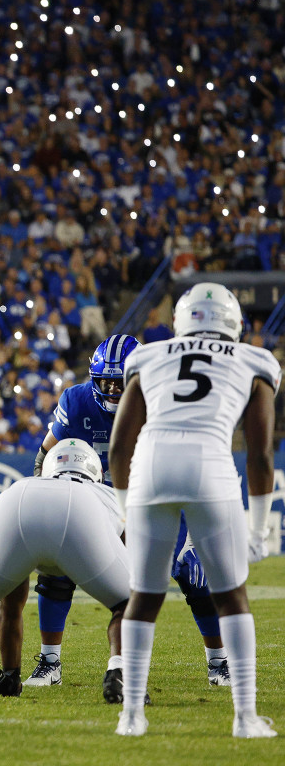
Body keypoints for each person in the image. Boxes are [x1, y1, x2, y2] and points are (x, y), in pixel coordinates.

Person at [110, 282, 279, 738]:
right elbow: (261, 456)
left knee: (143, 598)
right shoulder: (255, 359)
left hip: (150, 466)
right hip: (209, 466)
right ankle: (244, 717)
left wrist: (126, 511)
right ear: (234, 324)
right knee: (231, 597)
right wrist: (259, 529)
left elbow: (118, 445)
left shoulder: (149, 355)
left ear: (182, 320)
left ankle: (131, 716)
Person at [28, 334, 230, 688]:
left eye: (121, 383)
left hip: (153, 504)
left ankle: (219, 663)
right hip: (91, 502)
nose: (112, 390)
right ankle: (49, 663)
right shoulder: (76, 401)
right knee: (56, 572)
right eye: (105, 382)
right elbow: (46, 453)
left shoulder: (167, 405)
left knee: (195, 575)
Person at [0, 439, 130, 703]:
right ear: (96, 473)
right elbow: (133, 566)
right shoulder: (108, 493)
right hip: (82, 508)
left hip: (18, 499)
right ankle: (119, 673)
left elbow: (11, 604)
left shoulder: (26, 483)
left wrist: (11, 672)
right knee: (131, 604)